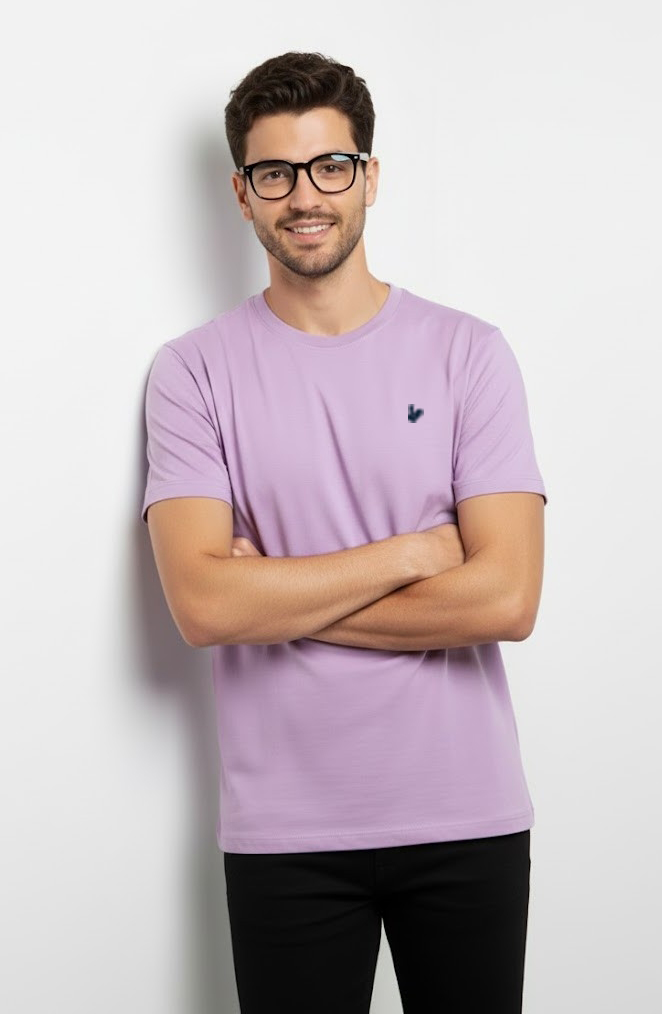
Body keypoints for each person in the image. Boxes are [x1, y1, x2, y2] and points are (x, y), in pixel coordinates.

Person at [141, 50, 547, 1014]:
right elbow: (203, 607)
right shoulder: (192, 372)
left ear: (369, 176)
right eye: (275, 173)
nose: (305, 196)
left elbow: (507, 600)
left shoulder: (469, 354)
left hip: (465, 815)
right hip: (287, 831)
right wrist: (413, 554)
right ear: (242, 193)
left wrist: (274, 596)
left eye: (329, 166)